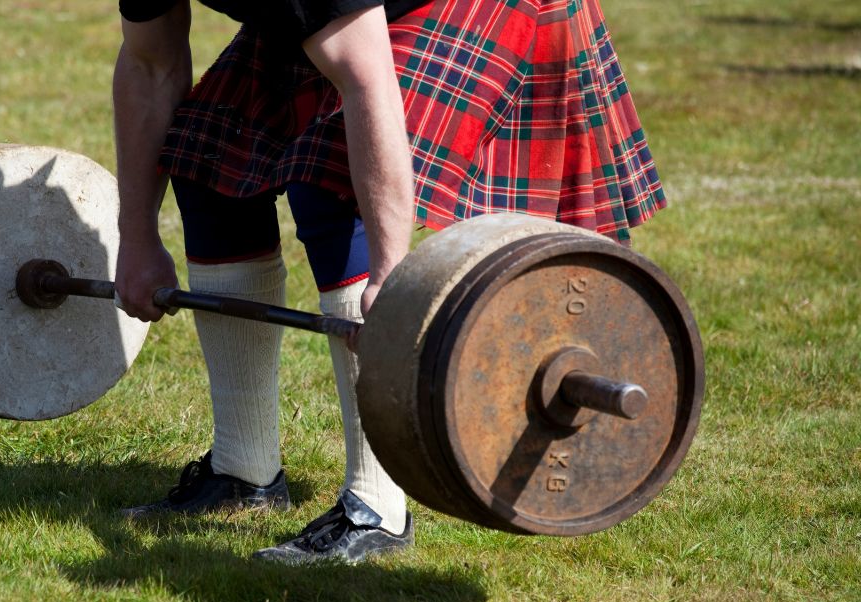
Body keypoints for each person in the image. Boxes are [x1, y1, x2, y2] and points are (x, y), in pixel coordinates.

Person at [111, 0, 665, 564]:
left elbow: (364, 78)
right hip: (347, 17)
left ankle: (377, 505)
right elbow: (149, 65)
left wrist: (387, 275)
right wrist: (135, 239)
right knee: (207, 162)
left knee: (329, 181)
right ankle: (243, 471)